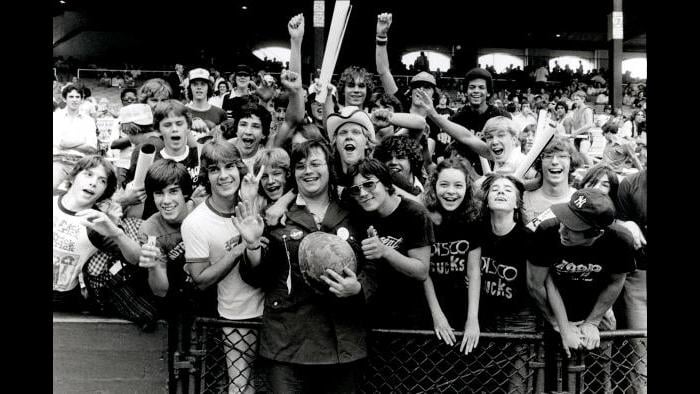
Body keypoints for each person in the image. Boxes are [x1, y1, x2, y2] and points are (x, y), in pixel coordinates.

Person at [237, 139, 377, 393]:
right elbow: (259, 277)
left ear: (329, 167)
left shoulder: (354, 210)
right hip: (289, 343)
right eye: (301, 166)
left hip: (342, 343)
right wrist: (252, 245)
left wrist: (357, 289)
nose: (308, 171)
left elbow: (374, 268)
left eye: (315, 164)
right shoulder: (276, 216)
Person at [527, 188, 636, 392]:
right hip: (549, 307)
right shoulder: (547, 230)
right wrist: (559, 324)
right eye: (563, 220)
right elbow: (535, 284)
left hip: (596, 307)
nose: (562, 230)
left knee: (598, 373)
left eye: (572, 228)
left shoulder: (620, 240)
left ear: (597, 232)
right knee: (549, 376)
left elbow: (616, 282)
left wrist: (593, 322)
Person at [181, 138, 264, 394]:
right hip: (238, 312)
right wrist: (238, 249)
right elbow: (201, 279)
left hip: (275, 307)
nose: (224, 176)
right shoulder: (196, 222)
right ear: (207, 175)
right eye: (215, 169)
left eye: (229, 167)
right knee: (241, 384)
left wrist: (251, 200)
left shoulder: (255, 197)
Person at [346, 158, 433, 329]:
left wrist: (385, 251)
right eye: (356, 189)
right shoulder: (360, 215)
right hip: (373, 314)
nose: (363, 193)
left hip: (411, 317)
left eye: (369, 184)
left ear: (386, 184)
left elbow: (421, 271)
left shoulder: (414, 214)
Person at [53, 155, 141, 312]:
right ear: (73, 177)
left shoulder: (98, 222)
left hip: (62, 301)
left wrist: (116, 234)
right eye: (88, 174)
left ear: (105, 192)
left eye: (102, 181)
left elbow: (136, 259)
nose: (93, 183)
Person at [478, 173, 539, 392]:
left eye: (507, 190)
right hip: (486, 320)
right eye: (495, 189)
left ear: (517, 203)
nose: (501, 192)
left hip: (520, 320)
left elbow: (538, 285)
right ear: (486, 200)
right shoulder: (479, 234)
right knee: (489, 385)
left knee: (517, 387)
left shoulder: (529, 238)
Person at [421, 158, 481, 355]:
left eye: (458, 185)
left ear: (467, 187)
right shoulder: (423, 218)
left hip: (461, 305)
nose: (450, 192)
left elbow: (474, 271)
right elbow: (423, 271)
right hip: (429, 307)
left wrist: (473, 319)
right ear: (434, 185)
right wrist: (437, 315)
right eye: (444, 184)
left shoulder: (473, 218)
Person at [523, 137, 579, 226]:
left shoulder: (578, 200)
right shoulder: (523, 200)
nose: (554, 162)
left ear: (571, 162)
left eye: (562, 156)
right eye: (548, 156)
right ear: (540, 162)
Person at [53, 85, 98, 194]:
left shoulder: (89, 121)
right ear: (65, 99)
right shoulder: (55, 117)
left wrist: (67, 143)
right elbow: (59, 143)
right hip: (58, 161)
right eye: (71, 97)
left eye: (77, 97)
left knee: (82, 195)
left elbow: (92, 148)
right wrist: (82, 141)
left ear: (82, 99)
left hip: (81, 163)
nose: (74, 100)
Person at [185, 68, 227, 138]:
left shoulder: (220, 113)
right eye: (195, 84)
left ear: (208, 87)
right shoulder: (183, 112)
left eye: (203, 84)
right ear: (190, 87)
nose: (199, 87)